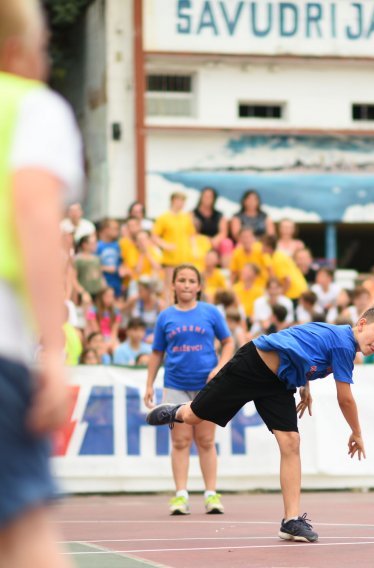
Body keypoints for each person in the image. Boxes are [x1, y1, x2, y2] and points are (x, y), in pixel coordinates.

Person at [146, 306, 374, 542]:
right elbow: (345, 399)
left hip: (278, 384)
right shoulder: (344, 345)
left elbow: (299, 343)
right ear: (362, 323)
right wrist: (356, 432)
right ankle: (175, 411)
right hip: (252, 365)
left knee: (291, 442)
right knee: (193, 417)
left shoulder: (335, 335)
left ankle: (290, 521)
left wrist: (305, 384)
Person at [0, 0, 84, 565]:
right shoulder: (29, 105)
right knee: (27, 537)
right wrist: (53, 352)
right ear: (19, 51)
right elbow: (33, 212)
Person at [144, 264, 234, 515]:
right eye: (181, 280)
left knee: (206, 440)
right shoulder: (165, 316)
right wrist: (149, 383)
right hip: (175, 385)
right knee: (180, 441)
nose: (186, 284)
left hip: (207, 386)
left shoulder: (211, 312)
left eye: (191, 280)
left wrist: (220, 367)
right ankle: (181, 496)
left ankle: (211, 495)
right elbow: (156, 352)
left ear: (199, 286)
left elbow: (228, 342)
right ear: (173, 285)